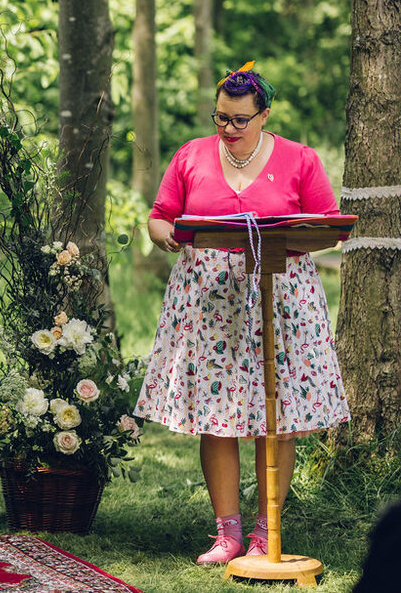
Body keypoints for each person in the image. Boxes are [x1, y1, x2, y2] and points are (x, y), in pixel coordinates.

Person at [133, 62, 350, 565]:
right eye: (221, 118)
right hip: (209, 305)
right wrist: (159, 231)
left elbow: (327, 226)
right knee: (219, 416)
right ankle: (226, 535)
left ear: (264, 114)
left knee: (278, 419)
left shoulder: (300, 159)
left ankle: (265, 531)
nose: (228, 129)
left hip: (280, 300)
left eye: (239, 120)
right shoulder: (191, 155)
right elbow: (160, 215)